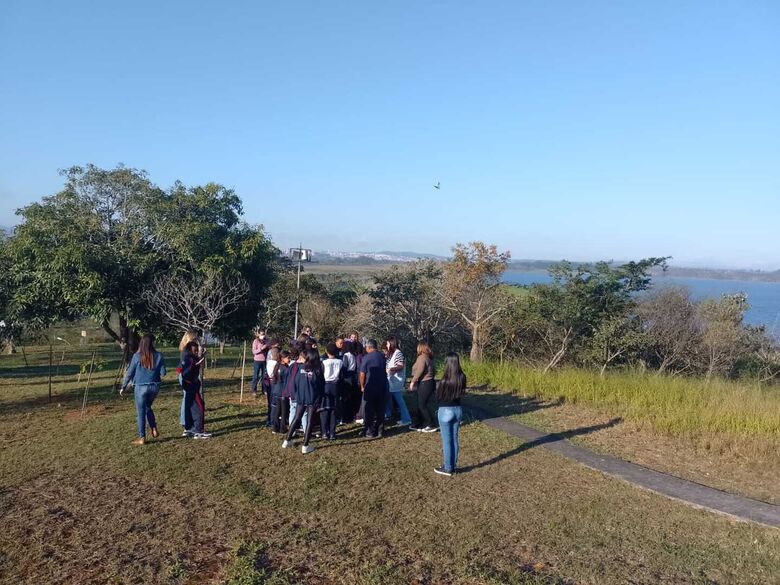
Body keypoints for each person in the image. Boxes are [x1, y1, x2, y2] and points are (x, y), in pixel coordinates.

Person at [121, 334, 167, 445]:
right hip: (154, 387)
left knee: (140, 412)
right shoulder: (159, 355)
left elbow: (130, 373)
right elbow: (163, 373)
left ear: (142, 343)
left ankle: (142, 437)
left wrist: (123, 386)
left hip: (140, 387)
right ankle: (153, 427)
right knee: (147, 407)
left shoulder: (137, 356)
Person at [283, 349, 324, 454]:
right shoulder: (317, 369)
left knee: (296, 418)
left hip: (301, 397)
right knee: (310, 421)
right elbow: (320, 384)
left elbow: (296, 381)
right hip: (313, 398)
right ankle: (305, 445)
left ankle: (287, 440)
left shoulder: (301, 368)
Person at [435, 353, 467, 476]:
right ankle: (452, 465)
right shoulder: (462, 377)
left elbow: (438, 397)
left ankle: (448, 468)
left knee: (446, 441)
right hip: (457, 409)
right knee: (454, 439)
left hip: (445, 410)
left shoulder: (444, 380)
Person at [359, 339, 389, 439]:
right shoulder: (382, 356)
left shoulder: (366, 358)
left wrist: (362, 386)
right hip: (382, 385)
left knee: (369, 410)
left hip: (370, 386)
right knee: (380, 409)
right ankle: (380, 430)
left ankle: (369, 431)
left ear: (369, 347)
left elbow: (362, 373)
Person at [181, 340, 211, 439]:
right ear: (190, 349)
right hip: (192, 387)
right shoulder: (190, 359)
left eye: (197, 350)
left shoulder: (187, 357)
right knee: (199, 407)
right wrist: (196, 365)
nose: (196, 351)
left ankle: (189, 428)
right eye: (195, 350)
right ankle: (198, 430)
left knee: (189, 407)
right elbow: (186, 373)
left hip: (189, 386)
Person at [409, 342, 437, 432]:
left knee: (422, 405)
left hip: (425, 383)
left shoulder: (422, 358)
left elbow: (420, 370)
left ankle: (430, 424)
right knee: (421, 404)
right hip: (430, 382)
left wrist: (413, 381)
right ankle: (419, 423)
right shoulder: (429, 358)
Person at [385, 337, 412, 426]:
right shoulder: (392, 354)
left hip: (396, 382)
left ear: (392, 344)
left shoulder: (398, 353)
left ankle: (406, 419)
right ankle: (388, 415)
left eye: (388, 344)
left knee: (400, 401)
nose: (386, 345)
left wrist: (390, 369)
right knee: (389, 399)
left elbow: (400, 366)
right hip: (391, 381)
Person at [177, 330, 199, 430]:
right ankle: (185, 420)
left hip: (186, 375)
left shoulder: (186, 351)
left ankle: (186, 419)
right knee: (187, 398)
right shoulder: (186, 352)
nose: (196, 342)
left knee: (187, 398)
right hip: (186, 376)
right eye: (194, 339)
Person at [321, 343, 342, 439]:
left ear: (326, 351)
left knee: (325, 409)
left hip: (326, 385)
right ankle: (333, 433)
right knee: (334, 409)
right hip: (335, 385)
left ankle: (325, 432)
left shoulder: (324, 362)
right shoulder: (340, 362)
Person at [269, 349, 290, 434]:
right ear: (282, 358)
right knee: (284, 411)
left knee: (277, 410)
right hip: (283, 392)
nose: (289, 359)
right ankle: (282, 428)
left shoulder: (277, 366)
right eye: (288, 357)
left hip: (276, 391)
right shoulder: (286, 368)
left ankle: (274, 427)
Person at [340, 340, 357, 423]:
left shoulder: (346, 355)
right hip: (353, 376)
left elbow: (345, 367)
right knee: (351, 398)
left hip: (347, 377)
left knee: (345, 398)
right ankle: (351, 416)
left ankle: (345, 417)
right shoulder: (353, 355)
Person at [251, 330, 270, 399]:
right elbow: (254, 351)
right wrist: (261, 349)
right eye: (261, 334)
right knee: (256, 376)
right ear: (258, 334)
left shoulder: (267, 340)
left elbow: (269, 346)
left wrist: (267, 346)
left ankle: (264, 390)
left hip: (265, 360)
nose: (262, 335)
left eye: (263, 334)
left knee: (264, 376)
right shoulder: (255, 341)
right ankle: (254, 390)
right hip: (257, 360)